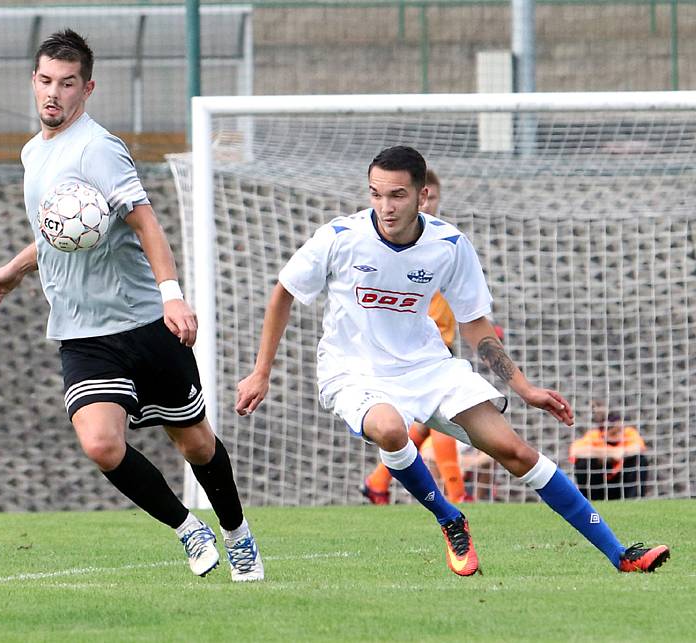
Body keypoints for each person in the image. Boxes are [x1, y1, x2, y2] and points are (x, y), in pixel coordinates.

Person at [236, 145, 669, 576]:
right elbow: (284, 293)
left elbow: (476, 328)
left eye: (397, 195)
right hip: (352, 371)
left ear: (423, 195)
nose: (385, 207)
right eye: (376, 194)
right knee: (390, 428)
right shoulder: (339, 238)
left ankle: (621, 555)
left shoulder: (449, 245)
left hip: (429, 367)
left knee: (515, 451)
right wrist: (260, 372)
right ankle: (450, 518)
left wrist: (524, 388)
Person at [0, 29, 263, 582]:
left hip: (143, 323)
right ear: (33, 82)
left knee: (196, 443)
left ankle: (237, 533)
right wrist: (14, 269)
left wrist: (172, 296)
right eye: (44, 81)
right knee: (102, 444)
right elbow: (59, 229)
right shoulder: (33, 154)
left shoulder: (98, 148)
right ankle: (188, 529)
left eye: (66, 83)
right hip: (83, 332)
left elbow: (144, 220)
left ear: (88, 88)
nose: (53, 93)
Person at [362, 169, 470, 504]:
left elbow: (462, 293)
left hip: (443, 341)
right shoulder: (395, 244)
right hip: (421, 348)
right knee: (445, 415)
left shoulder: (446, 243)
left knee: (429, 422)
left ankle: (378, 482)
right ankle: (457, 493)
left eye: (435, 198)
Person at [569, 400, 648, 500]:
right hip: (598, 484)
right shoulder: (594, 435)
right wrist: (609, 454)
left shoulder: (629, 433)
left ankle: (634, 500)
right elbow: (575, 451)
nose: (619, 434)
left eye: (620, 430)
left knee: (640, 460)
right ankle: (590, 501)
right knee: (584, 463)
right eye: (614, 432)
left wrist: (623, 453)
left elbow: (639, 448)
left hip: (621, 483)